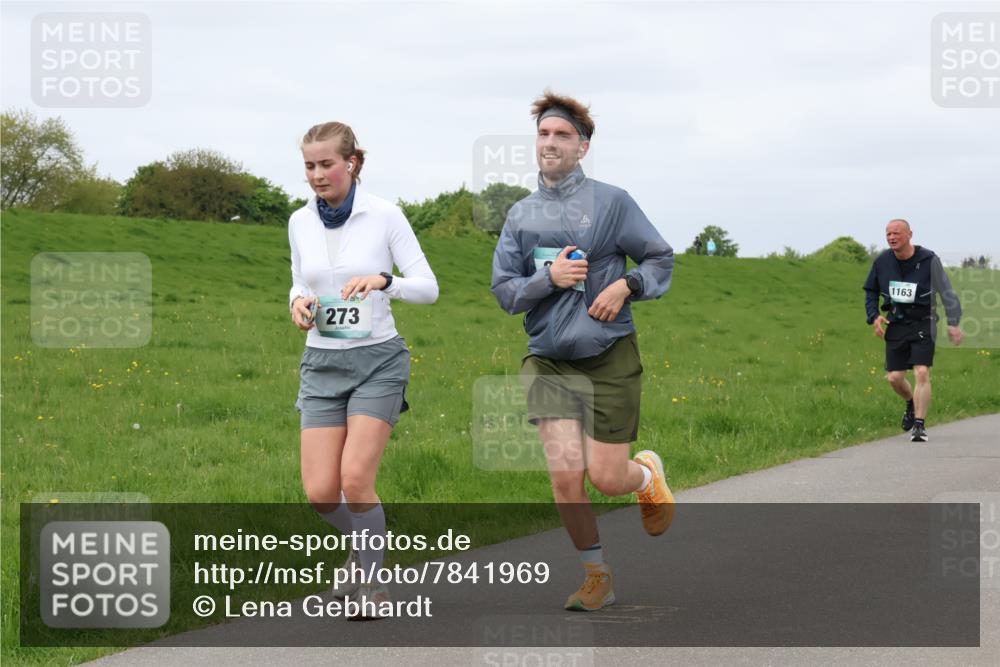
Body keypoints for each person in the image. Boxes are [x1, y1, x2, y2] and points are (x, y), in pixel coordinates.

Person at [491, 91, 676, 612]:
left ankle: (645, 477)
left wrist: (627, 286)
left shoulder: (612, 202)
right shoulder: (521, 215)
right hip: (547, 358)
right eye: (544, 134)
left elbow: (661, 258)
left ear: (583, 146)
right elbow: (504, 291)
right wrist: (546, 279)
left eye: (562, 135)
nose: (550, 143)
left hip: (608, 354)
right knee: (566, 476)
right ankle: (598, 576)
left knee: (607, 478)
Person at [289, 121, 438, 619]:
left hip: (378, 361)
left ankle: (373, 581)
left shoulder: (385, 215)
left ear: (351, 163)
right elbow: (298, 281)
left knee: (355, 479)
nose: (316, 174)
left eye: (326, 164)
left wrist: (384, 281)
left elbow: (427, 287)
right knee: (319, 493)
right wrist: (297, 303)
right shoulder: (299, 221)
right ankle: (364, 544)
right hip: (321, 361)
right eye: (309, 165)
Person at [863, 218, 963, 443]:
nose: (891, 237)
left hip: (923, 321)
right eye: (888, 234)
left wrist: (953, 322)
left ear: (910, 234)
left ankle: (919, 424)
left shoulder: (929, 260)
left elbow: (946, 290)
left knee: (921, 372)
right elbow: (870, 291)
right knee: (894, 378)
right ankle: (910, 401)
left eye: (896, 233)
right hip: (896, 322)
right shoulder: (882, 261)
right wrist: (874, 316)